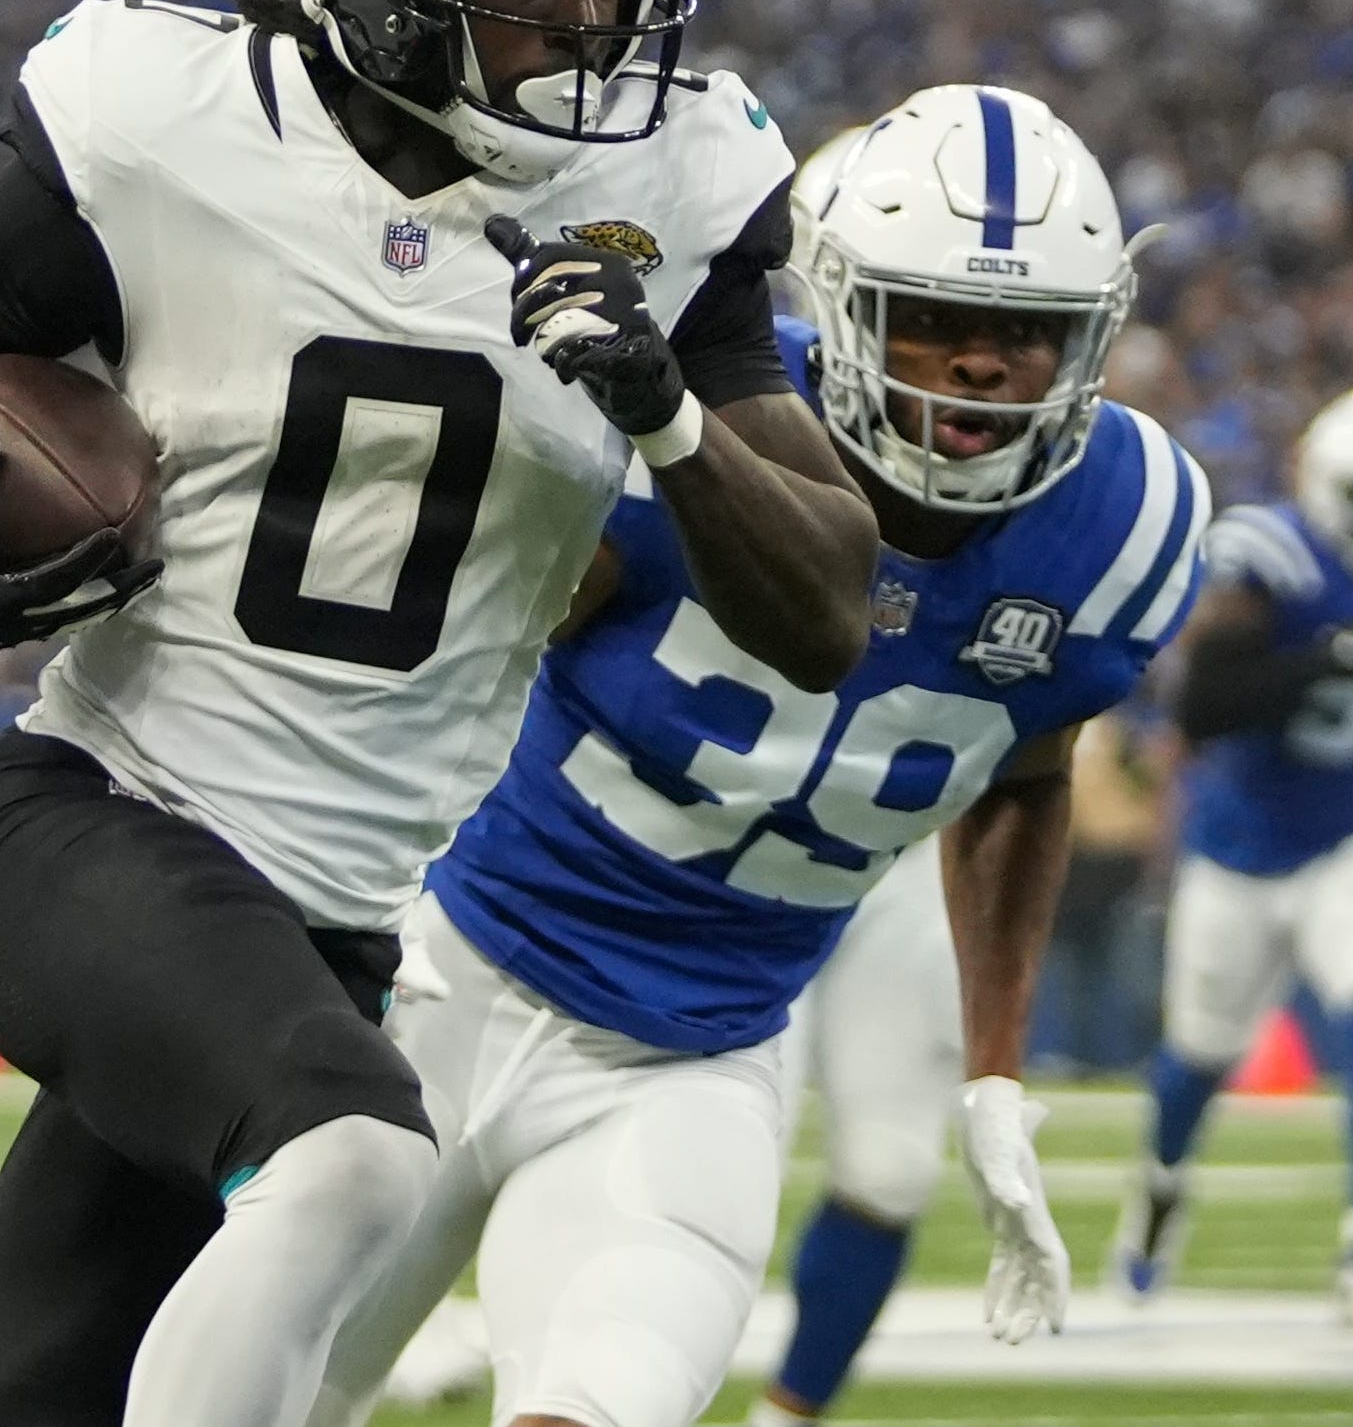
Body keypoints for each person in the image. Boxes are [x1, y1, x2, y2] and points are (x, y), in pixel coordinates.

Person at [0, 0, 879, 1427]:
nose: (586, 9)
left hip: (330, 920)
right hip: (96, 820)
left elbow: (827, 607)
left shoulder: (678, 181)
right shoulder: (150, 119)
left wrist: (669, 418)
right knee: (350, 1160)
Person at [310, 83, 1210, 1427]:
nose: (977, 365)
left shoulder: (1130, 528)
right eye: (940, 323)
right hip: (449, 972)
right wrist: (339, 904)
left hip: (692, 1058)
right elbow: (447, 657)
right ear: (844, 310)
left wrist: (997, 1067)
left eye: (1026, 335)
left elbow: (1022, 771)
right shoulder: (688, 408)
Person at [1112, 389, 1353, 1314]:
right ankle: (1159, 1194)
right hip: (1239, 844)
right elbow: (1200, 706)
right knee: (1198, 1053)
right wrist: (1320, 660)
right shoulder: (1271, 555)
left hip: (1341, 838)